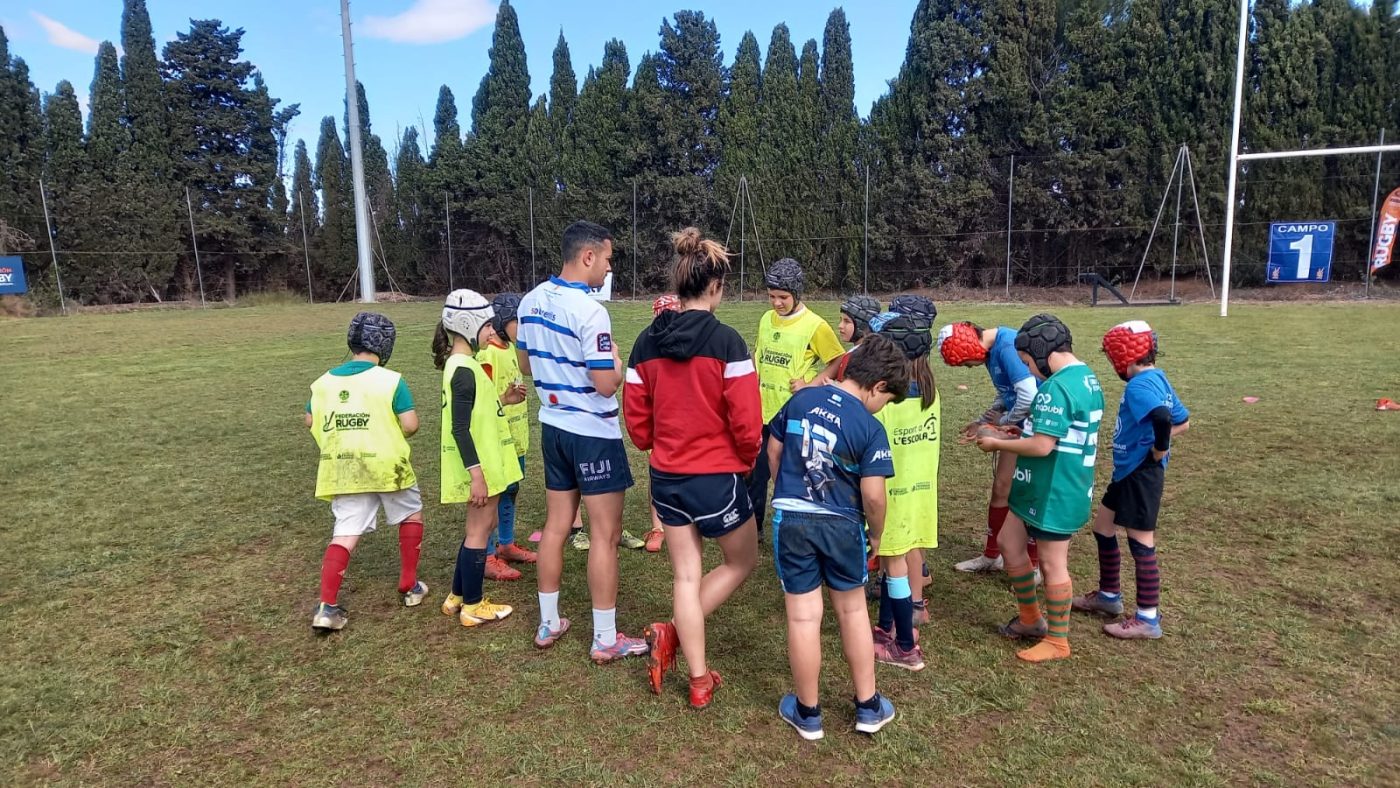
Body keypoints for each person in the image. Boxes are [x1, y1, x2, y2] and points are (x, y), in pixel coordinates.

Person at [625, 229, 762, 709]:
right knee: (742, 561)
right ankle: (682, 650)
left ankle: (699, 677)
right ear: (716, 287)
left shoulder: (645, 342)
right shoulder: (728, 341)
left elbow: (636, 416)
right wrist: (747, 460)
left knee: (687, 575)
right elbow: (747, 420)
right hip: (716, 478)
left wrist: (654, 445)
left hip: (666, 478)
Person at [768, 333, 910, 740]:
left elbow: (774, 449)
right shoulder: (869, 427)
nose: (883, 408)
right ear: (879, 386)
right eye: (887, 400)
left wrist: (787, 492)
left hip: (792, 520)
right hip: (844, 526)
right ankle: (868, 706)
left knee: (802, 616)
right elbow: (873, 495)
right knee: (852, 613)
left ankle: (807, 712)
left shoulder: (801, 400)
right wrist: (877, 535)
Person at [517, 220, 647, 663]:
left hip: (553, 429)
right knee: (605, 535)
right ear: (588, 256)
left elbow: (528, 366)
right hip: (592, 432)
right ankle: (605, 637)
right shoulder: (591, 310)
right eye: (608, 259)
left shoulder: (530, 300)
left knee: (556, 527)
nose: (609, 268)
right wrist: (616, 361)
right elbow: (606, 384)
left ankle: (549, 622)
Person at [974, 314, 1104, 663]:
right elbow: (1055, 435)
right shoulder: (1086, 377)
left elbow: (1044, 447)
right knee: (1008, 542)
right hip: (1044, 484)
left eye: (1030, 363)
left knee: (1051, 562)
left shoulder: (1056, 388)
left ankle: (1058, 641)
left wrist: (998, 444)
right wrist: (1018, 434)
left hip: (1055, 489)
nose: (1030, 371)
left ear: (1044, 353)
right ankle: (1031, 619)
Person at [306, 312, 428, 632]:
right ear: (385, 345)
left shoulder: (322, 383)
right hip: (389, 465)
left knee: (345, 533)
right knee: (411, 515)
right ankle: (409, 585)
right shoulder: (391, 380)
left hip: (344, 467)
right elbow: (410, 424)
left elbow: (309, 420)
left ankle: (327, 608)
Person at [1074, 321, 1190, 640]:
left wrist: (1157, 448)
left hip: (1142, 474)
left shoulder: (1139, 385)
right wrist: (1152, 442)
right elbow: (1185, 421)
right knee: (1103, 527)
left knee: (1141, 542)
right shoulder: (1157, 378)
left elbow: (1167, 419)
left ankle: (1147, 619)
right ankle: (1109, 596)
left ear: (1125, 354)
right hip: (1127, 471)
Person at [435, 290, 523, 628]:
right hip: (480, 467)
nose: (492, 332)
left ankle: (457, 595)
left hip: (487, 464)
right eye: (487, 326)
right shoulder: (463, 369)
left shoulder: (465, 365)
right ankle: (473, 605)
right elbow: (459, 429)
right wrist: (477, 475)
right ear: (469, 325)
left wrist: (505, 400)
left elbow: (478, 415)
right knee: (478, 532)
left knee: (478, 529)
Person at [866, 304, 940, 673]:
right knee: (892, 564)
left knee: (894, 568)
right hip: (920, 496)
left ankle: (906, 647)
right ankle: (884, 629)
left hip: (892, 496)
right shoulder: (929, 391)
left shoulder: (889, 404)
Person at [938, 320, 1041, 576]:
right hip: (1018, 425)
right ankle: (992, 556)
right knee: (1001, 488)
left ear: (968, 348)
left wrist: (1002, 423)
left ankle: (1035, 564)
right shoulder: (992, 352)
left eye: (964, 363)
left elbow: (1028, 395)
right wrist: (983, 421)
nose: (968, 368)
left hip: (1037, 427)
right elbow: (1006, 394)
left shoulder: (1007, 346)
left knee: (1029, 493)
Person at [749, 259, 846, 530]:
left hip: (793, 414)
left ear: (797, 294)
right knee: (755, 474)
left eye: (783, 297)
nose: (776, 303)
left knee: (791, 472)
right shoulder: (766, 319)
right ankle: (752, 530)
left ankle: (795, 523)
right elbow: (759, 356)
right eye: (771, 296)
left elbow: (838, 359)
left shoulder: (815, 325)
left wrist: (811, 384)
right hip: (761, 411)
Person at [475, 293, 538, 582]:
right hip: (496, 441)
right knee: (494, 496)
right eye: (517, 322)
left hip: (516, 438)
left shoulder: (513, 349)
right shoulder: (487, 354)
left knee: (511, 490)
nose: (521, 328)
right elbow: (480, 404)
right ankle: (487, 556)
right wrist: (506, 399)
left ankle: (506, 543)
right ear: (501, 322)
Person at [639, 293, 686, 554]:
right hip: (660, 423)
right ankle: (658, 527)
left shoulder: (694, 344)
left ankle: (685, 521)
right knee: (657, 472)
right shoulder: (649, 350)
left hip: (689, 423)